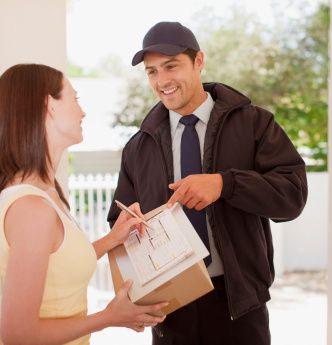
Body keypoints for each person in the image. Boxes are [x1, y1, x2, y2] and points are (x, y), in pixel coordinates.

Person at [107, 22, 308, 345]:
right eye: (152, 72)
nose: (162, 81)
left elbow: (292, 197)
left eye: (171, 67)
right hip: (170, 311)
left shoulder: (255, 124)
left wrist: (225, 185)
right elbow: (120, 222)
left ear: (199, 61)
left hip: (238, 307)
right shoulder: (138, 145)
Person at [0, 63, 168, 345]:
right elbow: (17, 333)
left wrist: (112, 239)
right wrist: (109, 317)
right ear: (48, 106)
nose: (82, 111)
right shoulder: (31, 208)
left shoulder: (44, 193)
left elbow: (56, 261)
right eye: (74, 99)